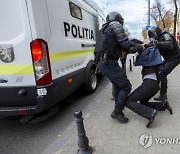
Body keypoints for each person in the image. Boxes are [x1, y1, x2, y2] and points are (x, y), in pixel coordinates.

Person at [95, 12, 144, 123]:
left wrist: (134, 43)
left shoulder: (104, 28)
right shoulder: (115, 25)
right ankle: (117, 112)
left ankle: (119, 107)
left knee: (118, 85)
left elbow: (118, 44)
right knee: (126, 86)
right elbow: (126, 45)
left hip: (102, 62)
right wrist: (140, 47)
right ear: (118, 19)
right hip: (108, 62)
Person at [125, 40, 172, 128]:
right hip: (154, 85)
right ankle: (163, 105)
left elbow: (134, 52)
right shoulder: (151, 53)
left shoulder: (148, 52)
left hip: (149, 84)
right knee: (143, 103)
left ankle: (151, 113)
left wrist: (139, 46)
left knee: (129, 101)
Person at [148, 26, 180, 102]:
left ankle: (163, 96)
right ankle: (159, 87)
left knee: (162, 74)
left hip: (175, 58)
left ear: (156, 32)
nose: (154, 37)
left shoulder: (166, 35)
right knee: (157, 70)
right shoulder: (159, 38)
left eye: (154, 35)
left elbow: (169, 44)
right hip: (168, 59)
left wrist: (158, 44)